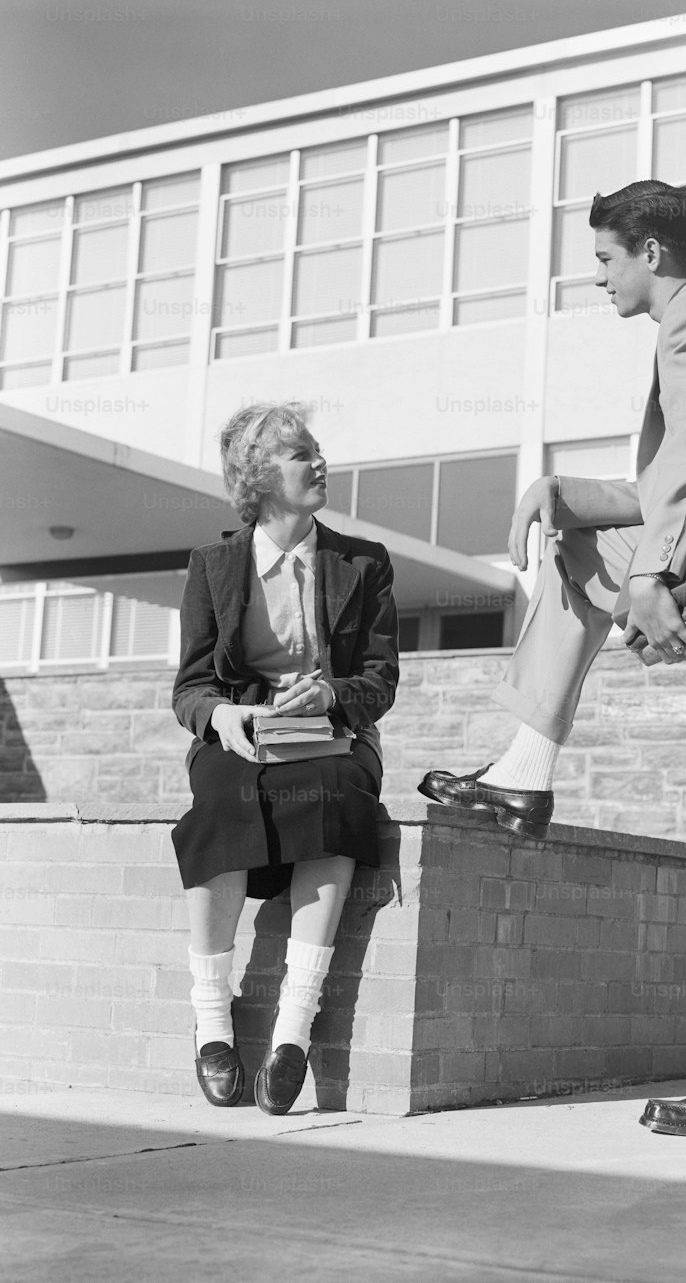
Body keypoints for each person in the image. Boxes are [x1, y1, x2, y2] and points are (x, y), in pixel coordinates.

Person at [420, 180, 686, 1140]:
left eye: (608, 258)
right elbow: (670, 483)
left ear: (652, 251)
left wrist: (650, 573)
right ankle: (525, 767)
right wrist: (561, 489)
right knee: (573, 542)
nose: (599, 276)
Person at [171, 402, 398, 1115]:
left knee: (336, 796)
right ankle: (211, 1020)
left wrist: (329, 694)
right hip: (245, 734)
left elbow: (380, 681)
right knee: (219, 802)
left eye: (316, 449)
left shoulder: (364, 563)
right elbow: (191, 686)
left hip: (332, 735)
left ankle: (292, 1032)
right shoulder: (213, 566)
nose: (320, 462)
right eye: (303, 454)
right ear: (260, 475)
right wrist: (223, 712)